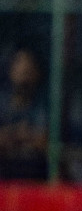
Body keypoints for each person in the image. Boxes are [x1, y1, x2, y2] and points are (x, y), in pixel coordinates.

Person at [0, 47, 47, 180]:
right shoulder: (2, 102)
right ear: (11, 70)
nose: (24, 72)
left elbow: (42, 141)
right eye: (20, 67)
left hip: (33, 174)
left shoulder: (42, 105)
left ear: (37, 73)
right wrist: (18, 133)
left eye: (28, 69)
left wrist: (15, 138)